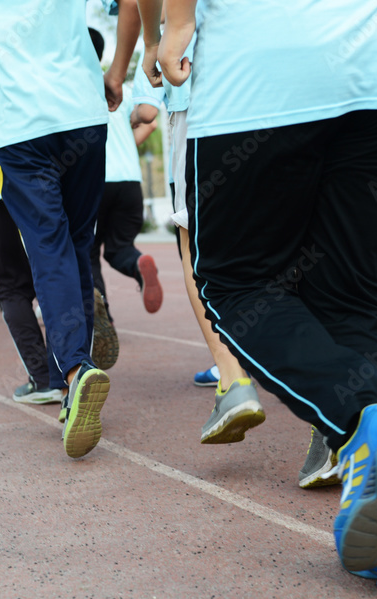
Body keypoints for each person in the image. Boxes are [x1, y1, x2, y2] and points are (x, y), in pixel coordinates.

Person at [154, 0, 377, 593]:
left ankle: (358, 421)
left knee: (234, 284)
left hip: (263, 72)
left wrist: (177, 23)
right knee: (355, 295)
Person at [0, 0, 139, 457]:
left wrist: (2, 77)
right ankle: (74, 379)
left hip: (19, 128)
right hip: (81, 114)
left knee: (49, 247)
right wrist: (117, 71)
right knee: (78, 244)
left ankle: (75, 372)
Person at [131, 10, 267, 446]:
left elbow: (146, 108)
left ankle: (232, 379)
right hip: (277, 89)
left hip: (202, 100)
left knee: (197, 253)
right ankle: (329, 402)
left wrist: (152, 44)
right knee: (289, 243)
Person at [0, 41, 62, 405]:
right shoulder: (42, 35)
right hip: (57, 168)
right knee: (60, 266)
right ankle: (77, 367)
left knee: (11, 285)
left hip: (4, 179)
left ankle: (45, 378)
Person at [89, 29, 164, 345]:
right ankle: (138, 264)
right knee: (119, 247)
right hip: (130, 181)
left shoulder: (72, 89)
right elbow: (151, 120)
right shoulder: (118, 87)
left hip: (95, 183)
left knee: (87, 252)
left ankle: (100, 317)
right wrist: (127, 149)